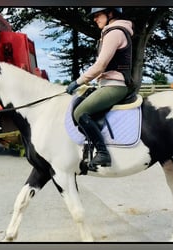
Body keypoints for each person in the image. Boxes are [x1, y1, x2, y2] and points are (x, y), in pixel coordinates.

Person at [66, 7, 136, 170]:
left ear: (110, 14)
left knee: (80, 113)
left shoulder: (114, 33)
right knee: (77, 104)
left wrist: (78, 82)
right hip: (106, 84)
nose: (95, 19)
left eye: (98, 15)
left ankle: (103, 153)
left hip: (115, 86)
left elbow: (100, 66)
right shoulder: (111, 32)